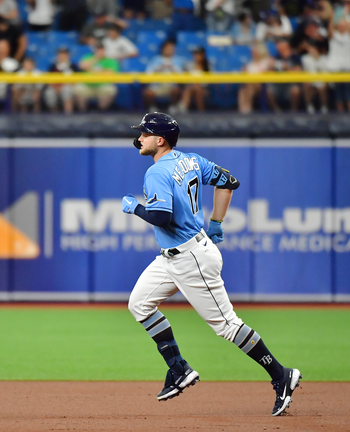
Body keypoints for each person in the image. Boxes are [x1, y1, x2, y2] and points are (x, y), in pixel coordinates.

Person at [122, 111, 302, 415]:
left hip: (190, 258)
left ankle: (281, 375)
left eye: (144, 133)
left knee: (227, 326)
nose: (139, 137)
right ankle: (178, 367)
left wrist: (135, 208)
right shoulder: (190, 160)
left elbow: (161, 217)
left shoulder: (156, 173)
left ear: (160, 140)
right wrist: (217, 222)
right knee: (139, 304)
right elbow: (228, 181)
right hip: (174, 256)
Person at [74, 42, 119, 112]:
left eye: (102, 50)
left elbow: (110, 73)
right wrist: (95, 59)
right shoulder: (88, 57)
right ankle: (82, 111)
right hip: (87, 84)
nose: (100, 51)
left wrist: (95, 71)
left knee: (110, 90)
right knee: (78, 89)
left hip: (102, 85)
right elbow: (82, 65)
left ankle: (102, 110)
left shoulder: (110, 60)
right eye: (98, 50)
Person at [143, 40, 185, 114]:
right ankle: (152, 107)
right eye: (168, 48)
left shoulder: (178, 60)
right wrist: (160, 69)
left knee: (177, 90)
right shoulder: (155, 60)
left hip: (171, 85)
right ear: (163, 49)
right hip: (157, 85)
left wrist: (172, 68)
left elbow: (181, 76)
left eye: (172, 49)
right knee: (147, 92)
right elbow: (148, 74)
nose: (170, 50)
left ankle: (173, 106)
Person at [326, 17, 350, 112]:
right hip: (335, 67)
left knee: (349, 92)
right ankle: (340, 115)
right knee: (338, 93)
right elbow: (330, 28)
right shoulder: (334, 35)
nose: (342, 27)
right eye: (340, 25)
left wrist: (346, 16)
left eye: (344, 25)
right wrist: (332, 17)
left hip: (348, 67)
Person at [267, 39, 302, 112]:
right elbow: (269, 73)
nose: (278, 46)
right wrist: (270, 66)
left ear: (286, 46)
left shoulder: (295, 57)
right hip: (278, 83)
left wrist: (287, 68)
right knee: (269, 90)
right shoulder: (277, 57)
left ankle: (293, 111)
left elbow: (298, 71)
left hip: (290, 83)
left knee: (295, 90)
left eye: (280, 45)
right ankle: (276, 110)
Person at [238, 43, 274, 114]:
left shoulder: (267, 61)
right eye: (253, 52)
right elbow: (245, 75)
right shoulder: (250, 64)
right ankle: (244, 110)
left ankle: (247, 109)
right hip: (251, 84)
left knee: (251, 85)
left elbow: (269, 70)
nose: (254, 53)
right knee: (242, 90)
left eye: (256, 51)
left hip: (264, 84)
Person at [44, 47, 81, 114]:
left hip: (68, 86)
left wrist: (64, 86)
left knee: (67, 90)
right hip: (54, 87)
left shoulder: (73, 66)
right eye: (60, 54)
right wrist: (55, 87)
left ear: (68, 56)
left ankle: (68, 113)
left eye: (64, 54)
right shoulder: (53, 66)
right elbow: (48, 80)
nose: (62, 56)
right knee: (49, 93)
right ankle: (53, 114)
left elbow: (76, 80)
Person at [179, 46, 210, 113]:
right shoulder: (189, 65)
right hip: (190, 87)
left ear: (202, 55)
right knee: (191, 88)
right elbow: (185, 79)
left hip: (204, 89)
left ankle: (201, 111)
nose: (196, 56)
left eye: (198, 54)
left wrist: (198, 83)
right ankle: (183, 109)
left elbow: (208, 82)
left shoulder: (207, 65)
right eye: (195, 54)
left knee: (197, 89)